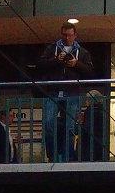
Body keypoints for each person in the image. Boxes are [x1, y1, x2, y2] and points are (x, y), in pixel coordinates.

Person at [36, 23, 95, 162]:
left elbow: (91, 72)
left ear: (75, 35)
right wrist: (56, 60)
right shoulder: (51, 49)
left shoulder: (84, 53)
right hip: (53, 91)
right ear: (61, 34)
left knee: (69, 128)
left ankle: (68, 157)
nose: (67, 38)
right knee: (49, 124)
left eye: (69, 35)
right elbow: (40, 65)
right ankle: (52, 155)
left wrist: (76, 64)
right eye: (64, 35)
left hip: (72, 93)